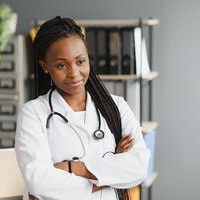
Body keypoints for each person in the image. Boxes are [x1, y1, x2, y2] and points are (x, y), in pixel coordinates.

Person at [15, 16, 150, 200]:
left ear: (88, 58)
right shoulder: (33, 113)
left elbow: (139, 167)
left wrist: (74, 168)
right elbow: (39, 181)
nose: (74, 73)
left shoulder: (117, 107)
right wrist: (111, 168)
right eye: (61, 65)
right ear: (45, 66)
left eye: (80, 61)